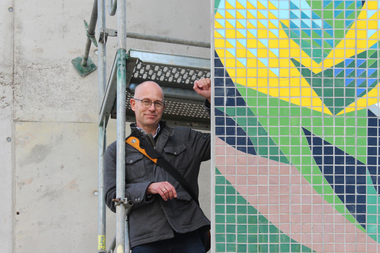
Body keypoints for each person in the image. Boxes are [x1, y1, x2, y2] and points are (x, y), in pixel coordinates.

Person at [104, 78, 212, 253]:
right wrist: (148, 188)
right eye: (146, 102)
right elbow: (111, 196)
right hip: (146, 237)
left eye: (157, 103)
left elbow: (227, 142)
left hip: (188, 233)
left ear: (163, 107)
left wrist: (211, 100)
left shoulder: (186, 137)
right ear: (133, 104)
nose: (152, 108)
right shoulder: (117, 150)